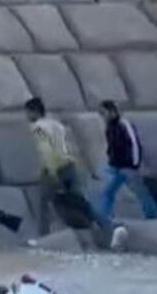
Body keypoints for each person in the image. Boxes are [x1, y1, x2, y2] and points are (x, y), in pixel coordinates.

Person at [25, 98, 127, 251]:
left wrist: (52, 172)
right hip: (70, 166)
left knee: (44, 204)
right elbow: (66, 146)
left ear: (34, 112)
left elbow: (46, 150)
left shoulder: (37, 127)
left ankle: (42, 238)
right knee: (81, 203)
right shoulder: (57, 125)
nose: (26, 116)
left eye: (27, 112)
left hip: (54, 168)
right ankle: (110, 228)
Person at [97, 100, 157, 221]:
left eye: (103, 113)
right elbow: (112, 146)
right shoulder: (110, 127)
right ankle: (103, 217)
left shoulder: (124, 124)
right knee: (108, 192)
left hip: (128, 166)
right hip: (116, 166)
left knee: (140, 192)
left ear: (111, 112)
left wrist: (134, 164)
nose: (102, 116)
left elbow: (134, 144)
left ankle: (152, 214)